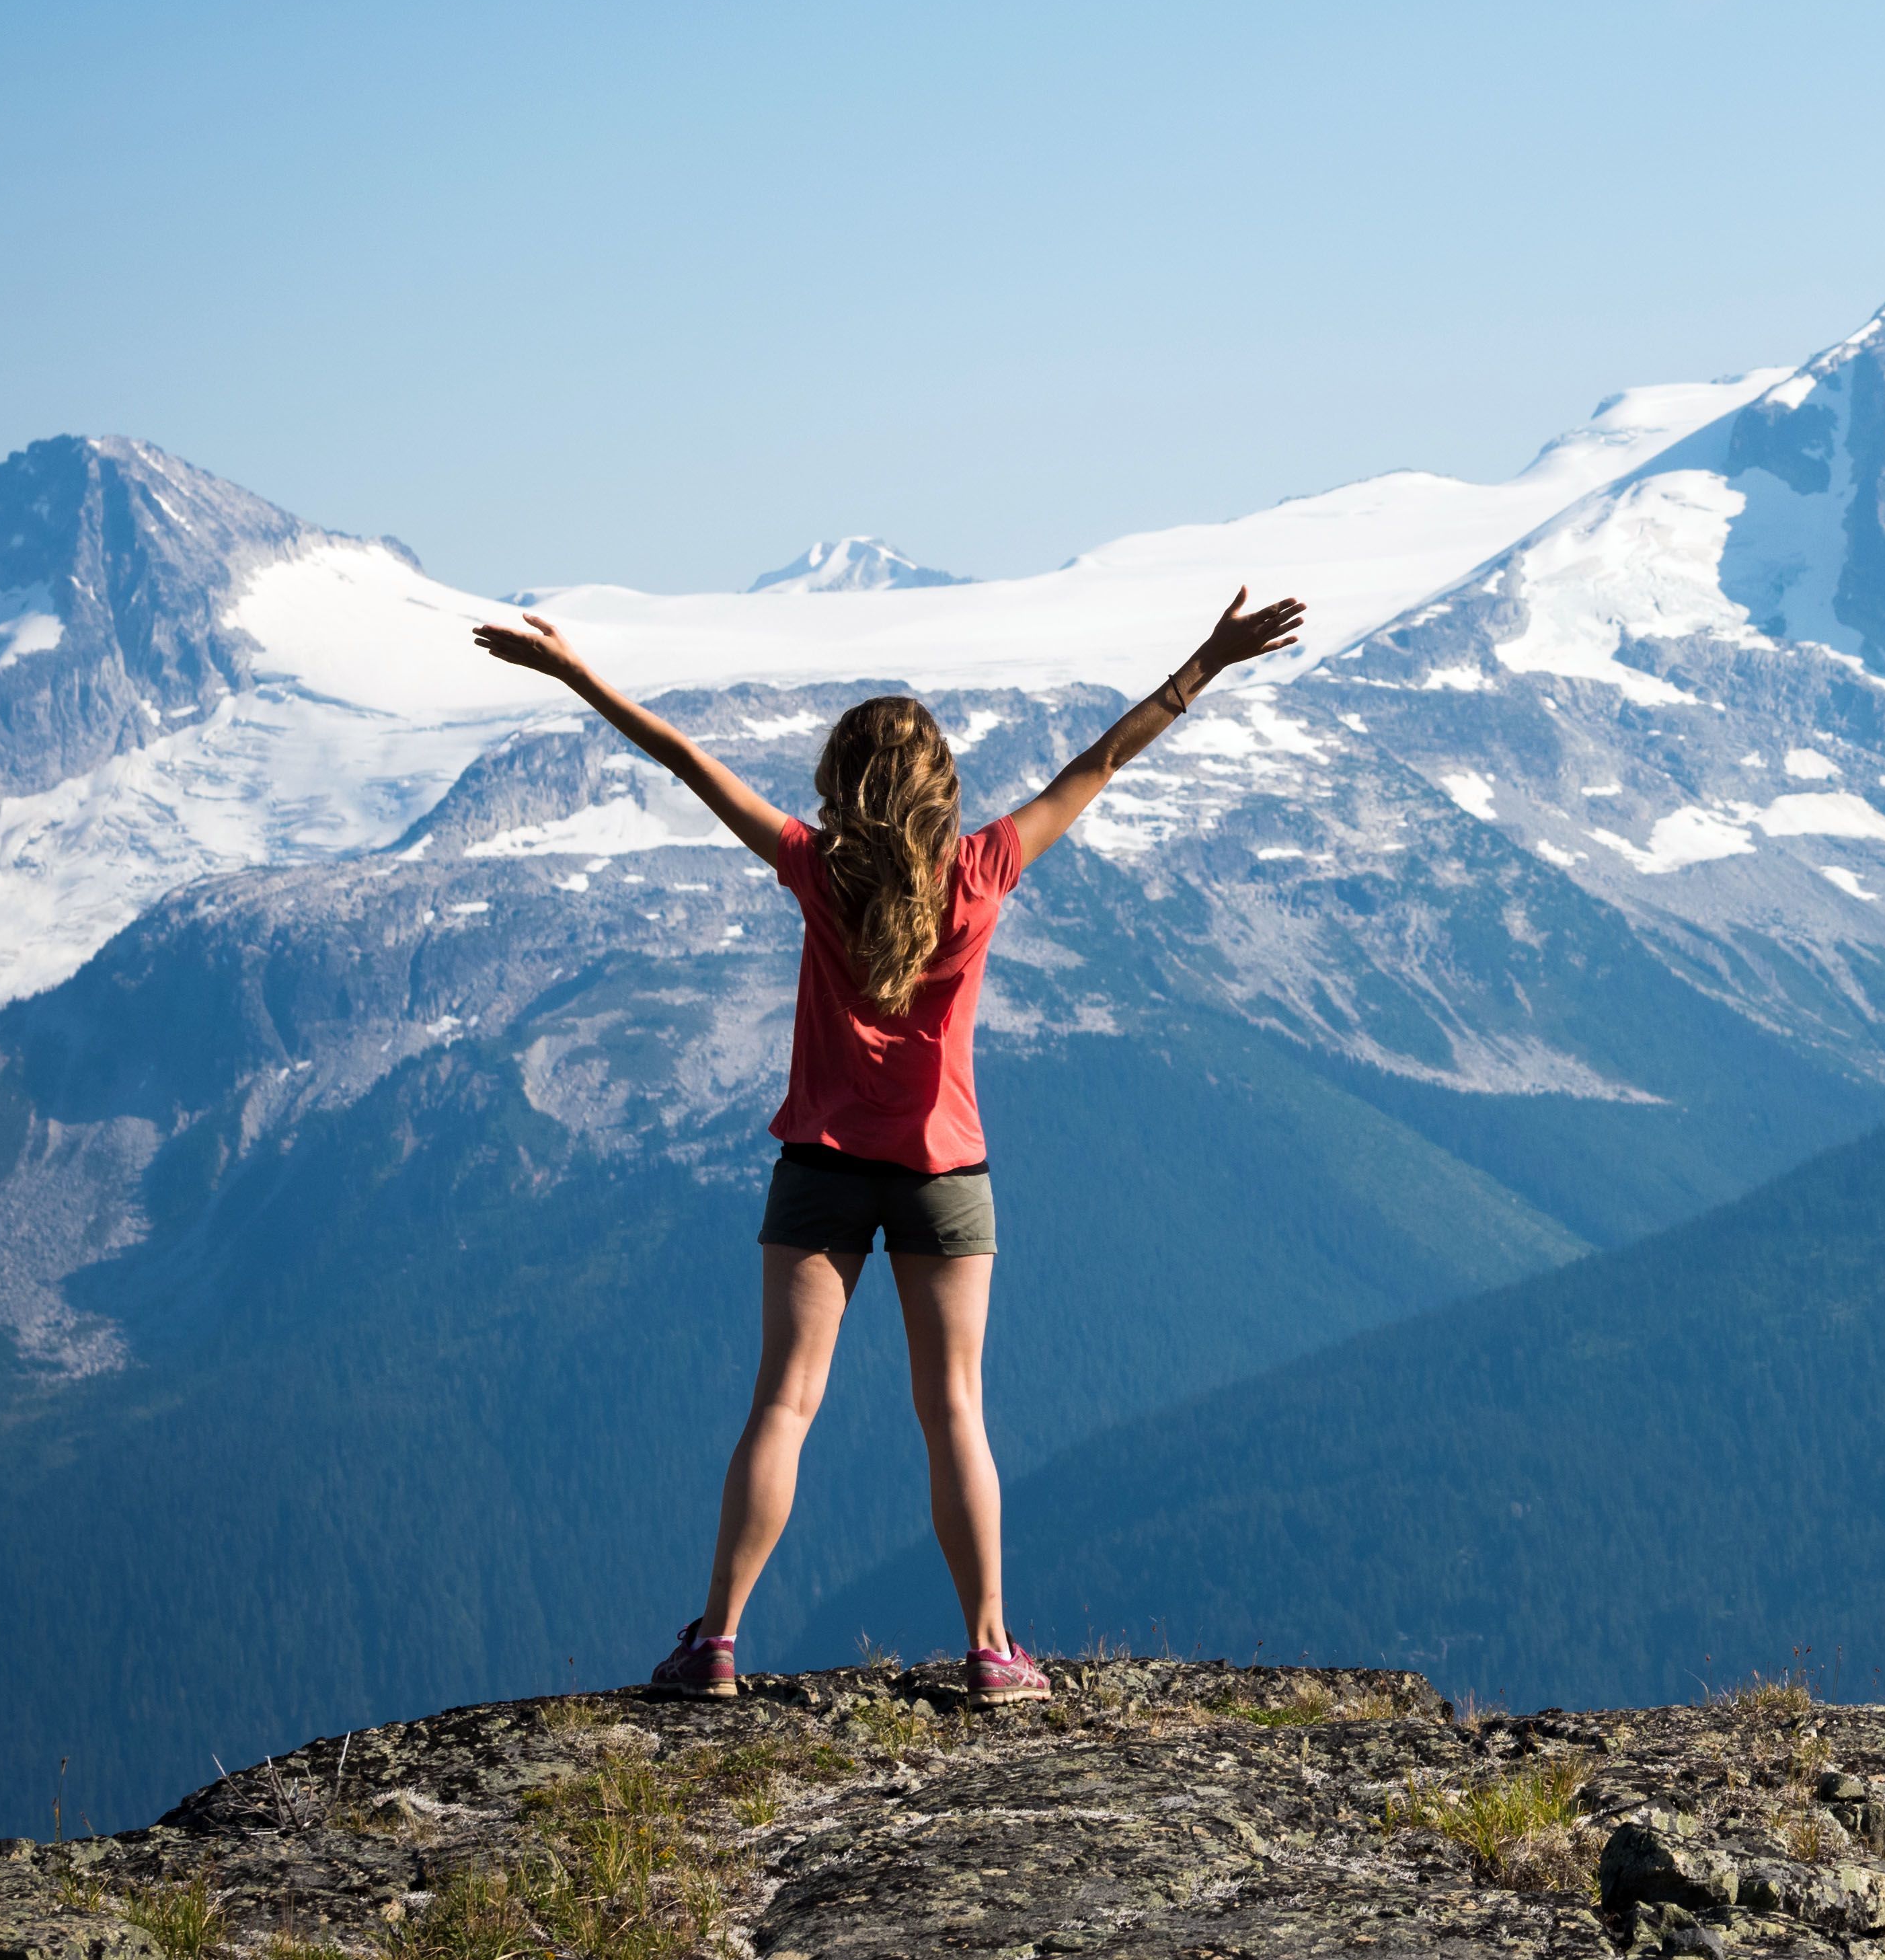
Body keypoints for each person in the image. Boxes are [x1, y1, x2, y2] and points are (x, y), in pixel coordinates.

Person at [470, 587, 1307, 1706]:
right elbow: (1101, 762)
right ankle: (992, 1649)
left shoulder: (814, 867)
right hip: (945, 1172)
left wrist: (577, 675)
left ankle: (716, 1642)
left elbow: (682, 759)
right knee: (954, 1408)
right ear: (940, 788)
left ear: (842, 782)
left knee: (784, 1403)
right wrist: (1206, 661)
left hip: (819, 1166)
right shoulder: (986, 867)